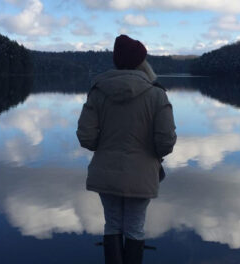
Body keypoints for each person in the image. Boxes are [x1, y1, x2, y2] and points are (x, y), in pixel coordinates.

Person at [76, 35, 177, 264]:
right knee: (134, 227)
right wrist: (151, 153)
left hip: (106, 172)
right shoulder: (157, 94)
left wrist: (105, 146)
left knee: (112, 225)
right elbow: (166, 142)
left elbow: (86, 137)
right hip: (141, 175)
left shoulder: (98, 91)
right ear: (142, 62)